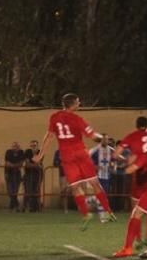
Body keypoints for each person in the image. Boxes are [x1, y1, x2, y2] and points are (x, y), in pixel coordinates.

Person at [37, 93, 116, 229]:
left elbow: (49, 136)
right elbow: (92, 135)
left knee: (75, 187)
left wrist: (40, 154)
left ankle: (86, 214)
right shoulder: (77, 119)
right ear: (73, 104)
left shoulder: (54, 117)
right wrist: (102, 138)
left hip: (66, 156)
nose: (79, 104)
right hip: (80, 154)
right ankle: (108, 211)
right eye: (78, 102)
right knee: (94, 183)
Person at [117, 116, 147, 241]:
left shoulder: (131, 136)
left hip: (138, 174)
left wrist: (126, 160)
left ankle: (138, 239)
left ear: (136, 125)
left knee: (135, 210)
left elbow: (116, 153)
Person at [90, 137, 116, 219]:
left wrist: (113, 166)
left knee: (103, 195)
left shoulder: (111, 151)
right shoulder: (96, 151)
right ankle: (104, 215)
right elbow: (90, 160)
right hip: (98, 176)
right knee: (102, 194)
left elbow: (114, 161)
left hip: (107, 176)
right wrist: (95, 167)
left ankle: (91, 201)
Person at [4, 141, 26, 212]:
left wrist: (13, 165)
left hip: (17, 174)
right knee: (10, 191)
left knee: (15, 191)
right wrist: (15, 165)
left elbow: (21, 163)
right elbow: (7, 163)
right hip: (8, 173)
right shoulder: (8, 152)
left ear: (19, 147)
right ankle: (17, 205)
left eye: (16, 146)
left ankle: (12, 207)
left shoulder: (21, 152)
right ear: (11, 147)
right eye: (13, 146)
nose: (15, 148)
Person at [24, 140, 44, 212]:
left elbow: (38, 163)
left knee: (37, 189)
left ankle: (37, 207)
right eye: (31, 146)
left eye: (34, 146)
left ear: (37, 146)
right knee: (29, 190)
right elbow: (28, 164)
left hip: (38, 174)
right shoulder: (27, 152)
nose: (33, 147)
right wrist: (35, 165)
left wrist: (33, 164)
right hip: (28, 173)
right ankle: (30, 207)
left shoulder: (40, 152)